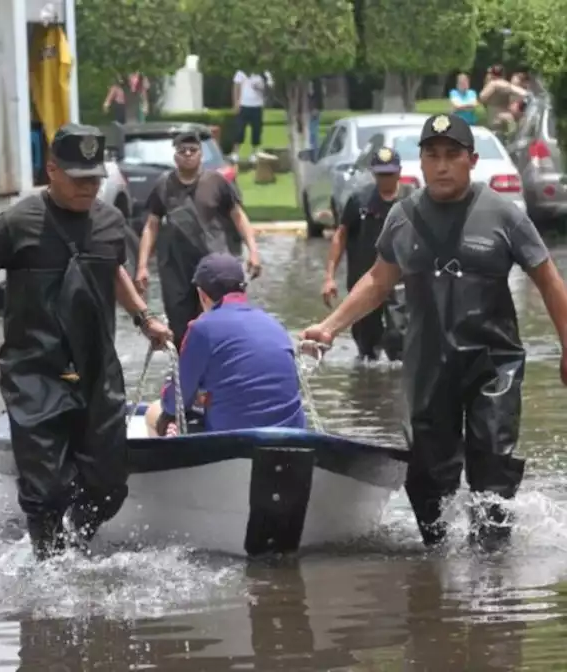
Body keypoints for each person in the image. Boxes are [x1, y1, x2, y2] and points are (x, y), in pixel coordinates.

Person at [300, 113, 567, 551]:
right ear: (419, 164)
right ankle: (436, 568)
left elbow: (548, 279)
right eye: (432, 156)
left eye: (452, 156)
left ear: (471, 161)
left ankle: (492, 569)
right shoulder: (403, 218)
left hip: (492, 364)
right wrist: (330, 327)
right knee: (429, 476)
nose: (442, 166)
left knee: (491, 465)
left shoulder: (504, 214)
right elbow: (377, 281)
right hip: (428, 366)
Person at [0, 123, 173, 560]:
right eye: (79, 177)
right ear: (51, 171)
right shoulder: (16, 223)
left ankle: (75, 544)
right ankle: (49, 565)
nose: (89, 187)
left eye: (94, 178)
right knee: (46, 491)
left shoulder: (110, 222)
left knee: (110, 484)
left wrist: (144, 318)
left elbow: (113, 271)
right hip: (34, 371)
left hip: (97, 370)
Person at [144, 253, 306, 437]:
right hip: (292, 436)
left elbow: (174, 402)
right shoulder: (275, 324)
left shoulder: (202, 329)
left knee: (154, 412)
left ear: (201, 295)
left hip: (234, 443)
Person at [135, 131, 263, 350]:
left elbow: (239, 216)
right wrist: (142, 266)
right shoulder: (163, 185)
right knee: (180, 329)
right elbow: (151, 225)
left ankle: (221, 369)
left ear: (200, 154)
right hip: (175, 268)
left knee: (219, 322)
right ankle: (185, 374)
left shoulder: (216, 182)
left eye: (192, 150)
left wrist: (253, 252)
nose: (187, 154)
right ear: (175, 156)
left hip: (213, 264)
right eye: (182, 151)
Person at [321, 147, 412, 362]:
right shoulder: (360, 200)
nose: (385, 179)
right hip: (364, 281)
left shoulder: (412, 200)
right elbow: (340, 235)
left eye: (390, 173)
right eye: (381, 174)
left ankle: (397, 388)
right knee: (366, 345)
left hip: (401, 282)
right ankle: (368, 388)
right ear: (373, 173)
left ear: (399, 172)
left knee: (399, 339)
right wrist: (329, 277)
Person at [230, 71, 270, 164]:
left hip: (257, 106)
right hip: (243, 105)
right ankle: (235, 153)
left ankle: (254, 153)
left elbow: (269, 90)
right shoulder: (241, 72)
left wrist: (261, 88)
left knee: (256, 130)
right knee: (239, 130)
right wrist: (236, 103)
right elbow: (236, 87)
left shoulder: (263, 73)